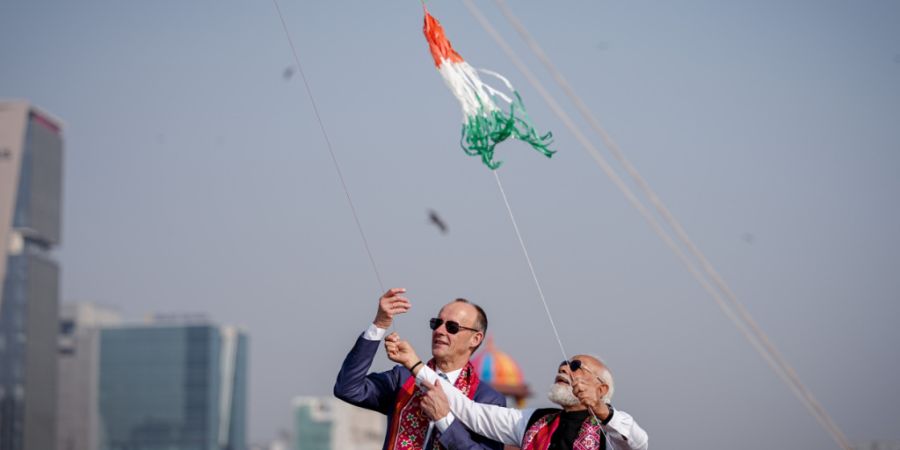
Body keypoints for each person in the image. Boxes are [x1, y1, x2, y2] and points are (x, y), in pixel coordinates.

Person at [384, 334, 648, 450]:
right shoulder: (535, 421)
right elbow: (470, 411)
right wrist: (415, 365)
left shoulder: (611, 431)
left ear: (602, 388)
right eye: (563, 365)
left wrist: (600, 409)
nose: (565, 368)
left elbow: (637, 443)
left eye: (576, 367)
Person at [334, 288, 506, 450]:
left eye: (451, 327)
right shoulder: (403, 378)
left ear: (475, 339)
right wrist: (380, 324)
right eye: (436, 323)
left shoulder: (488, 399)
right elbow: (347, 389)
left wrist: (444, 420)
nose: (439, 330)